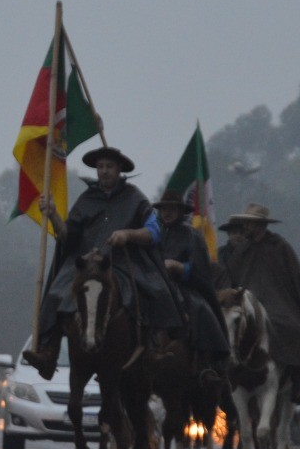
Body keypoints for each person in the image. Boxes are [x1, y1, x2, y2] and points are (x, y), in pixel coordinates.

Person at [23, 146, 185, 379]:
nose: (104, 171)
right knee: (55, 293)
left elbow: (154, 232)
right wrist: (53, 215)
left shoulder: (135, 198)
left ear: (119, 169)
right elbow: (68, 236)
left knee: (156, 291)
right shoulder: (87, 198)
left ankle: (154, 349)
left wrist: (128, 235)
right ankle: (48, 352)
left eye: (109, 166)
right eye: (100, 167)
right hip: (85, 263)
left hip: (122, 262)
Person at [215, 203, 300, 403]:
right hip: (247, 298)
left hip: (278, 300)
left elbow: (295, 278)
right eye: (245, 223)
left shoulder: (280, 246)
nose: (245, 227)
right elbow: (231, 275)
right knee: (228, 324)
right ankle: (223, 376)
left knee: (297, 328)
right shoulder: (242, 249)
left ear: (260, 225)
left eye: (249, 223)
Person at [144, 191, 229, 383]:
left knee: (201, 309)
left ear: (180, 211)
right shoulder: (154, 235)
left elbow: (200, 269)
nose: (167, 213)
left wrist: (179, 267)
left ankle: (207, 363)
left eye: (171, 209)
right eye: (164, 209)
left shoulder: (192, 235)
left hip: (184, 287)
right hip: (153, 286)